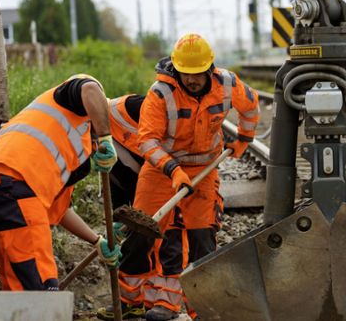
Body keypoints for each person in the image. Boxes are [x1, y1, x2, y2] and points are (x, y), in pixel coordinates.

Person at [98, 34, 260, 321]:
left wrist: (244, 138)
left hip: (204, 171)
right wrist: (174, 171)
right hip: (161, 171)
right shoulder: (160, 94)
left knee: (201, 239)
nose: (192, 80)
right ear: (177, 69)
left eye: (198, 74)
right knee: (141, 233)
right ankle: (129, 300)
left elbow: (250, 105)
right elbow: (147, 141)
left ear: (209, 69)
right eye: (187, 74)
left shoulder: (227, 84)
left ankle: (202, 307)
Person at [0, 74, 121, 291]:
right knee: (40, 288)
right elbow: (89, 88)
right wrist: (106, 136)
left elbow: (60, 211)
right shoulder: (71, 104)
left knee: (19, 288)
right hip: (15, 186)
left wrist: (96, 241)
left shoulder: (62, 148)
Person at [107, 93, 146, 210]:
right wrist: (119, 214)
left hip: (177, 179)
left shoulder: (129, 106)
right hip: (146, 195)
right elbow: (116, 178)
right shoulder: (91, 139)